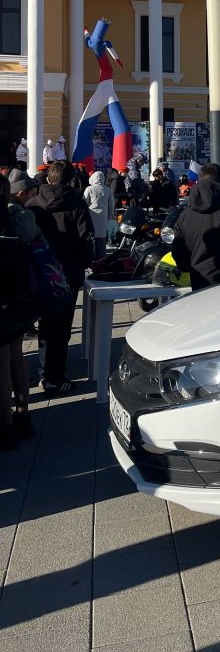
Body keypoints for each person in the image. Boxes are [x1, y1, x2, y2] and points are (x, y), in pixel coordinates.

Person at [27, 160, 94, 395]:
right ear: (71, 181)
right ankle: (54, 378)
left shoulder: (33, 204)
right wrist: (84, 264)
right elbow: (86, 239)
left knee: (44, 324)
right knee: (62, 327)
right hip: (67, 272)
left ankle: (45, 373)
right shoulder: (77, 204)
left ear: (48, 179)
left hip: (39, 272)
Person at [0, 174, 37, 451]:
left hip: (3, 300)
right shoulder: (19, 216)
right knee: (16, 356)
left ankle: (5, 429)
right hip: (20, 298)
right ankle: (23, 418)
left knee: (2, 366)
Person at [171, 162, 220, 291]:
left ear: (197, 182)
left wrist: (187, 267)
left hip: (197, 277)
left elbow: (178, 248)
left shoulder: (185, 214)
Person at [83, 170, 116, 260]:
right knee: (101, 236)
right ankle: (102, 256)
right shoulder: (108, 189)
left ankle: (92, 255)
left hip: (91, 214)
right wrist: (110, 215)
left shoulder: (89, 189)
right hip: (103, 215)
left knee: (92, 235)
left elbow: (84, 202)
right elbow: (111, 204)